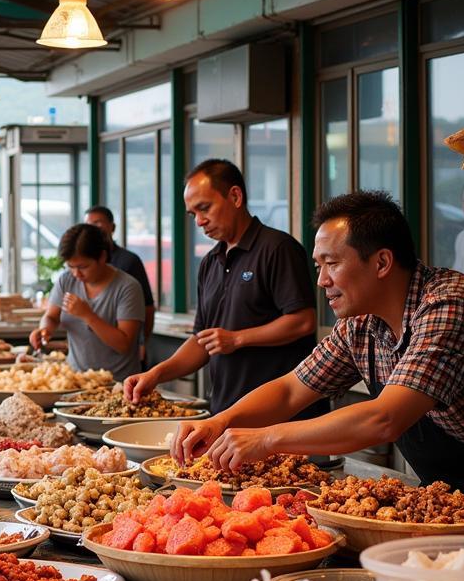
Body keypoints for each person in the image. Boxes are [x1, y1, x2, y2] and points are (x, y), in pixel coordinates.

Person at [175, 190, 464, 544]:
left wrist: (267, 440)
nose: (321, 280)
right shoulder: (360, 322)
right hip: (457, 504)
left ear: (382, 262)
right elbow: (290, 390)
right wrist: (220, 422)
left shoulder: (450, 306)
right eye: (319, 266)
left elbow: (384, 419)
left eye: (331, 264)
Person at [124, 158, 319, 416]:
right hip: (226, 412)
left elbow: (303, 321)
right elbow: (202, 341)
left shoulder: (278, 248)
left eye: (205, 208)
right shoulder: (209, 262)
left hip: (280, 415)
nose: (199, 221)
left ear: (235, 196)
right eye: (193, 214)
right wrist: (155, 374)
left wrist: (237, 338)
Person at [29, 223, 144, 381]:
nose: (77, 274)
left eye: (83, 266)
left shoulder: (127, 287)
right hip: (76, 380)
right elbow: (51, 316)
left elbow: (124, 344)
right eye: (71, 266)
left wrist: (88, 315)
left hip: (118, 384)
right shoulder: (66, 280)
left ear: (102, 257)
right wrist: (44, 330)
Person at [84, 206, 155, 349]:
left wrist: (142, 342)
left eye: (98, 222)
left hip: (125, 345)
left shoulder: (129, 261)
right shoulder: (79, 266)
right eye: (89, 225)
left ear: (113, 227)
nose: (94, 228)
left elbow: (147, 306)